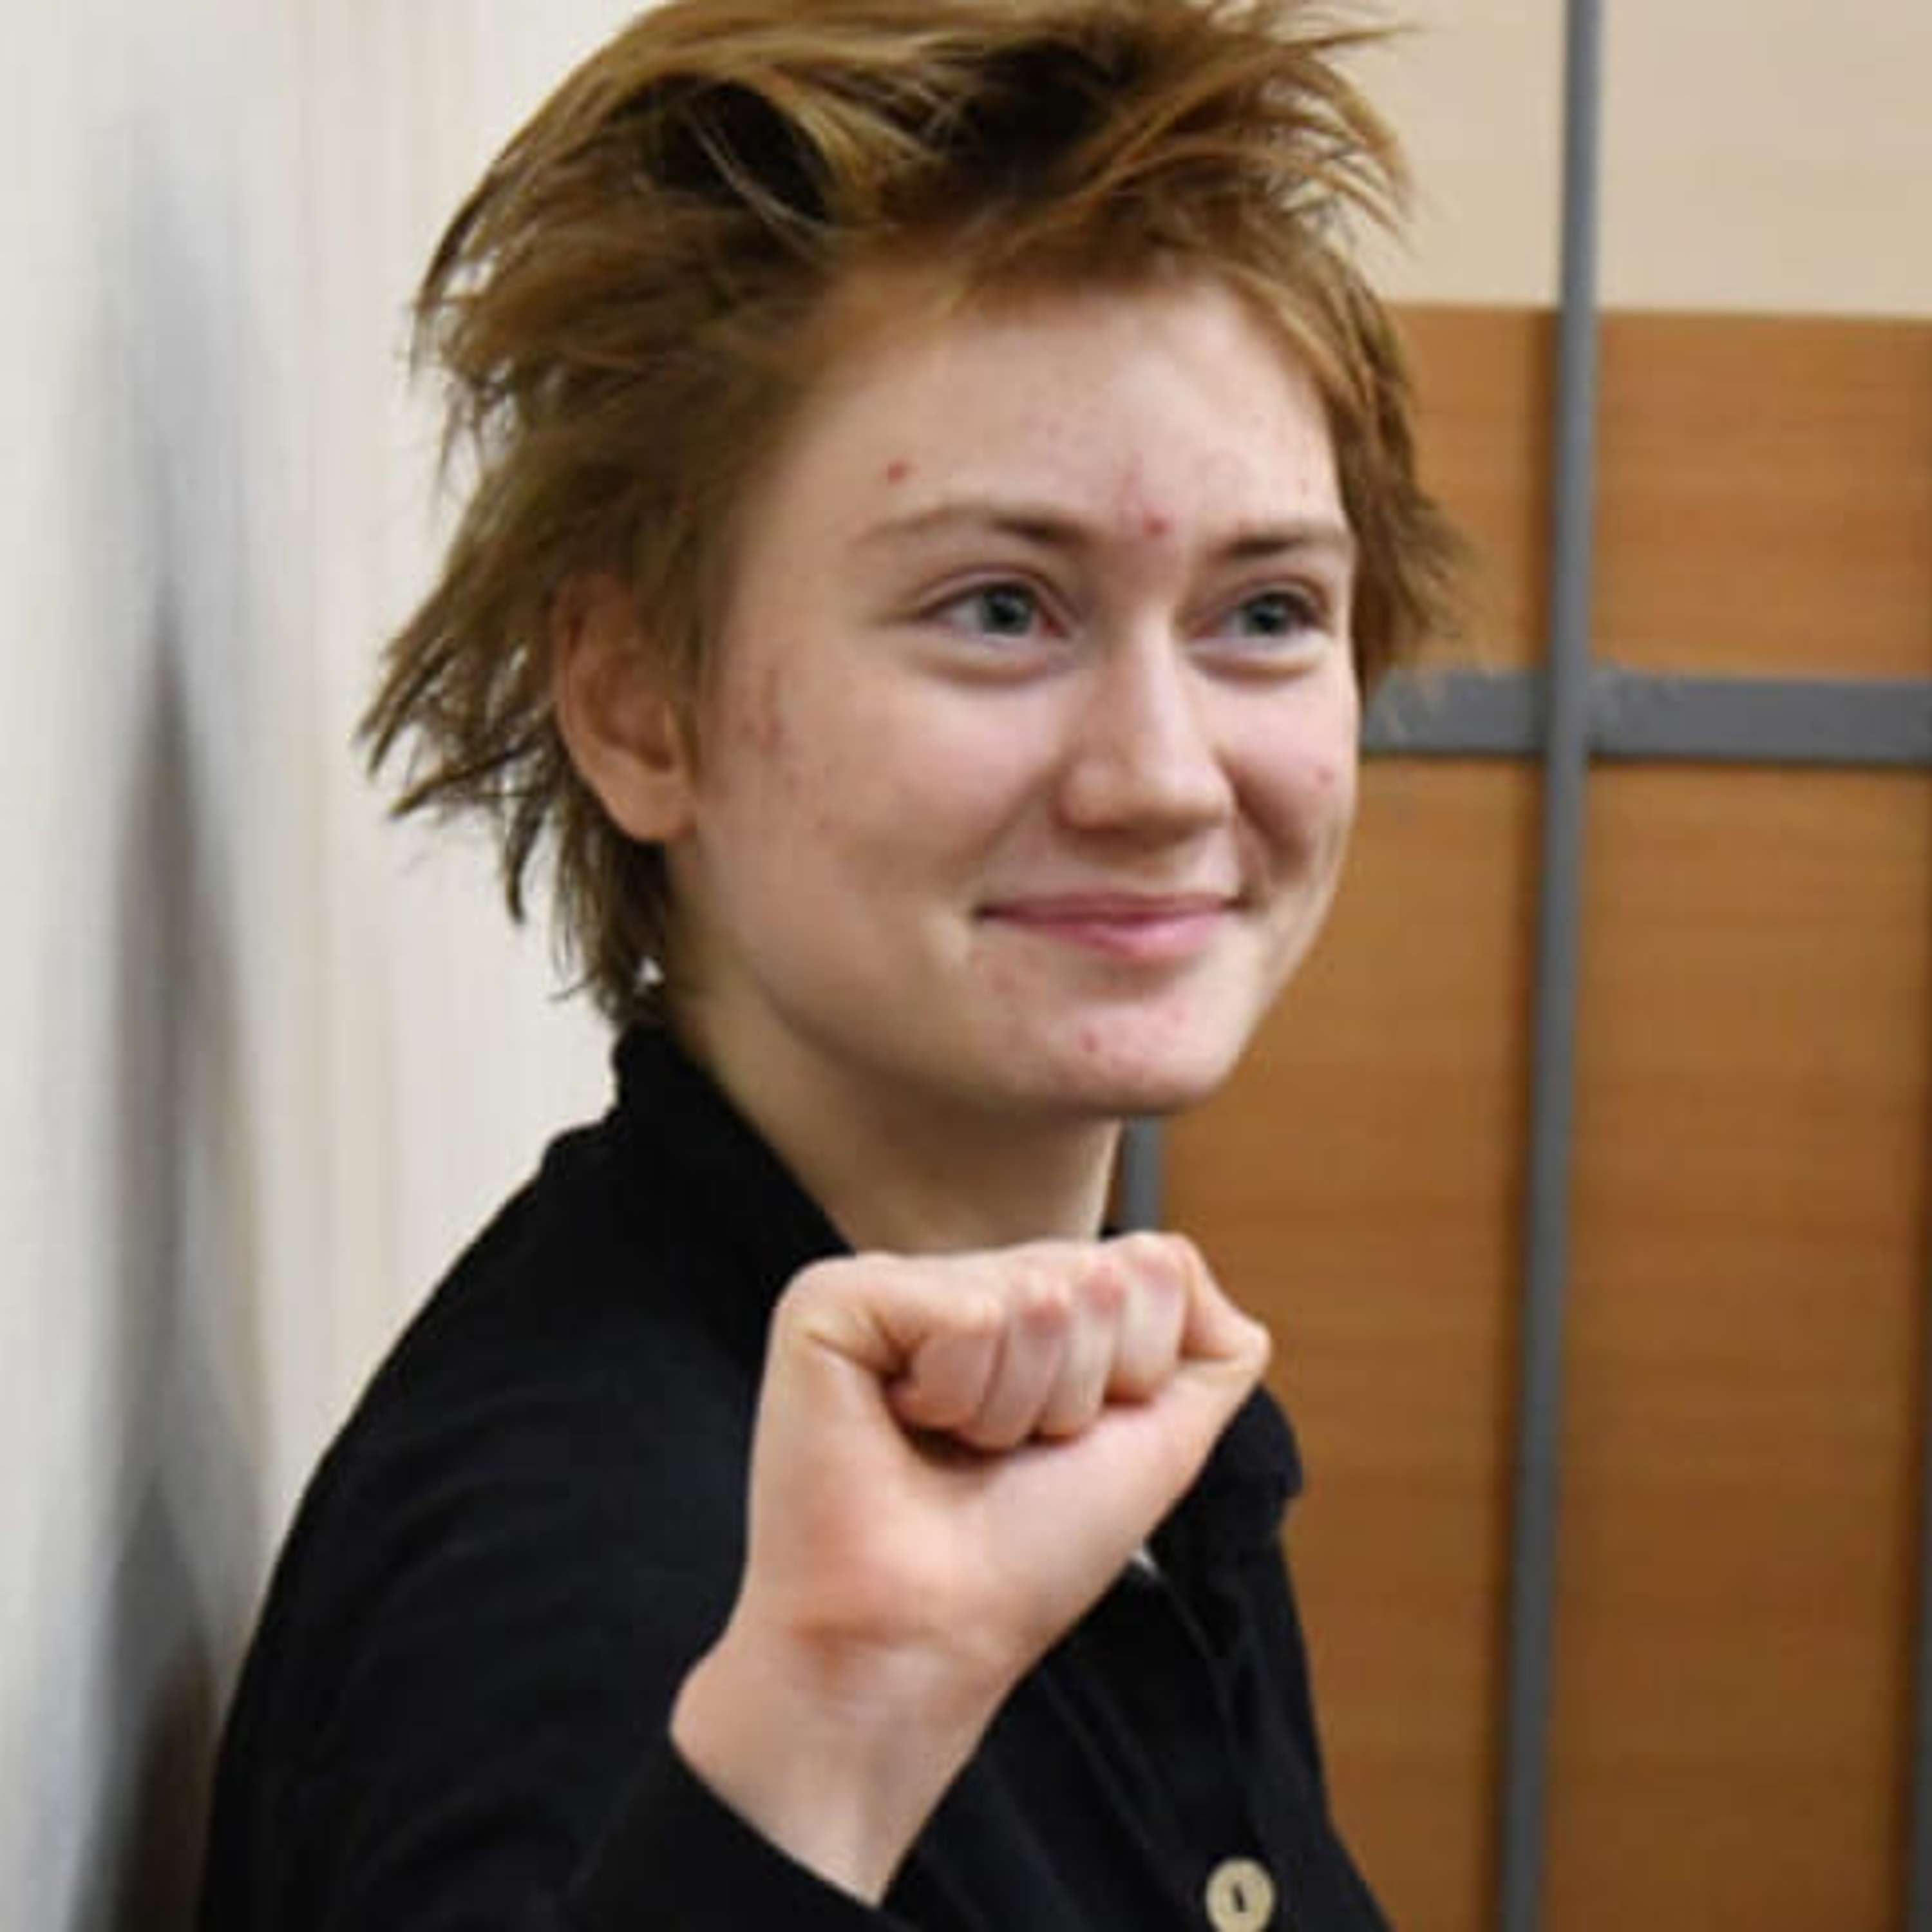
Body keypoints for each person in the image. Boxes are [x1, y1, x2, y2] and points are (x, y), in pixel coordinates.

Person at [198, 1, 1461, 1926]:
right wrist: (831, 1729)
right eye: (1000, 608)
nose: (1163, 777)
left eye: (1267, 612)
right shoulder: (618, 1621)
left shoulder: (1067, 1420)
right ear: (639, 704)